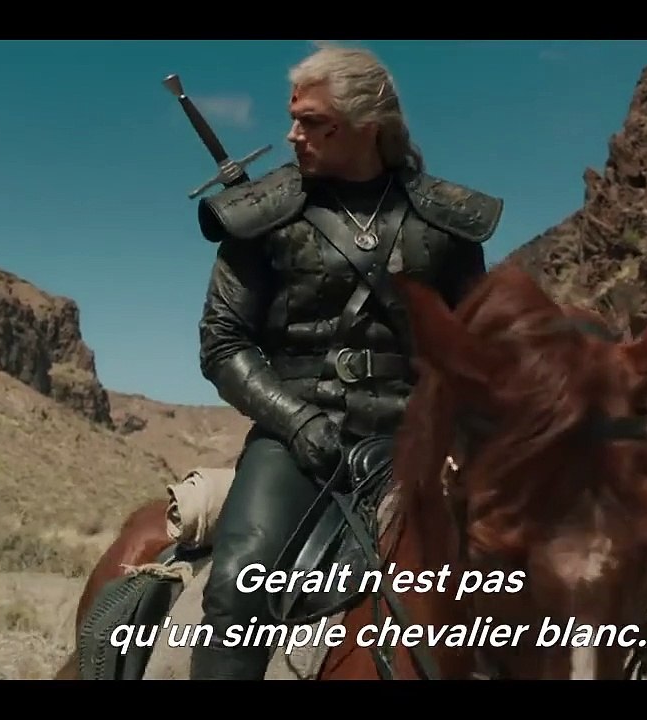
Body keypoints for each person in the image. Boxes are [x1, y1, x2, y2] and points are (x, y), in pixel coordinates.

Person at [190, 43, 504, 680]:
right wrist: (296, 420)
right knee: (239, 581)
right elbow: (223, 341)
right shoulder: (262, 215)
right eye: (293, 119)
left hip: (418, 441)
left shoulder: (447, 221)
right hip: (295, 440)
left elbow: (471, 349)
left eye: (313, 122)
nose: (292, 135)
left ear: (367, 125)